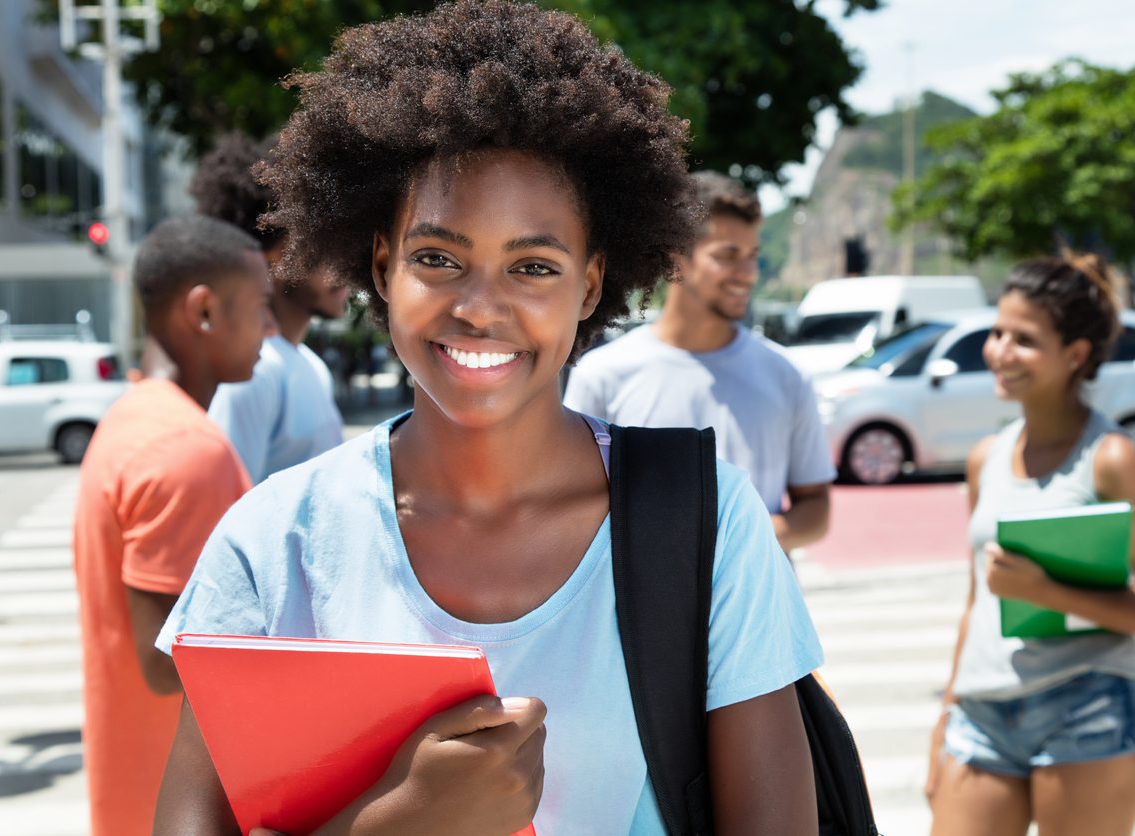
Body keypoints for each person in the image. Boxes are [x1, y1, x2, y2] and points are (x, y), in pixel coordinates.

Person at [151, 3, 824, 834]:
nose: (480, 308)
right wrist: (403, 822)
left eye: (533, 267)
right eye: (438, 259)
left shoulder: (706, 523)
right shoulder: (272, 542)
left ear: (588, 286)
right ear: (382, 264)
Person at [927, 256, 1135, 836]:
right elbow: (978, 604)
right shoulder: (985, 458)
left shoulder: (1112, 458)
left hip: (1087, 707)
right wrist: (943, 721)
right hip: (980, 713)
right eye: (998, 332)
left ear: (1075, 354)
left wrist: (1045, 592)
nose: (998, 351)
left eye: (1024, 340)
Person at [72, 215, 272, 836]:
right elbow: (169, 663)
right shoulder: (185, 449)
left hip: (140, 792)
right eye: (261, 305)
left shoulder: (134, 418)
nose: (270, 327)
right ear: (205, 311)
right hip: (185, 805)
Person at [564, 171, 835, 552]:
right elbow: (569, 505)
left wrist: (733, 543)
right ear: (678, 260)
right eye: (727, 256)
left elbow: (815, 507)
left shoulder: (787, 375)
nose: (747, 273)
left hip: (762, 609)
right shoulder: (602, 375)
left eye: (753, 257)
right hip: (638, 610)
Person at [192, 132, 350, 484]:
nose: (343, 266)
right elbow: (228, 509)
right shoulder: (255, 373)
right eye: (322, 248)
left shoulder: (309, 364)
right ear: (271, 261)